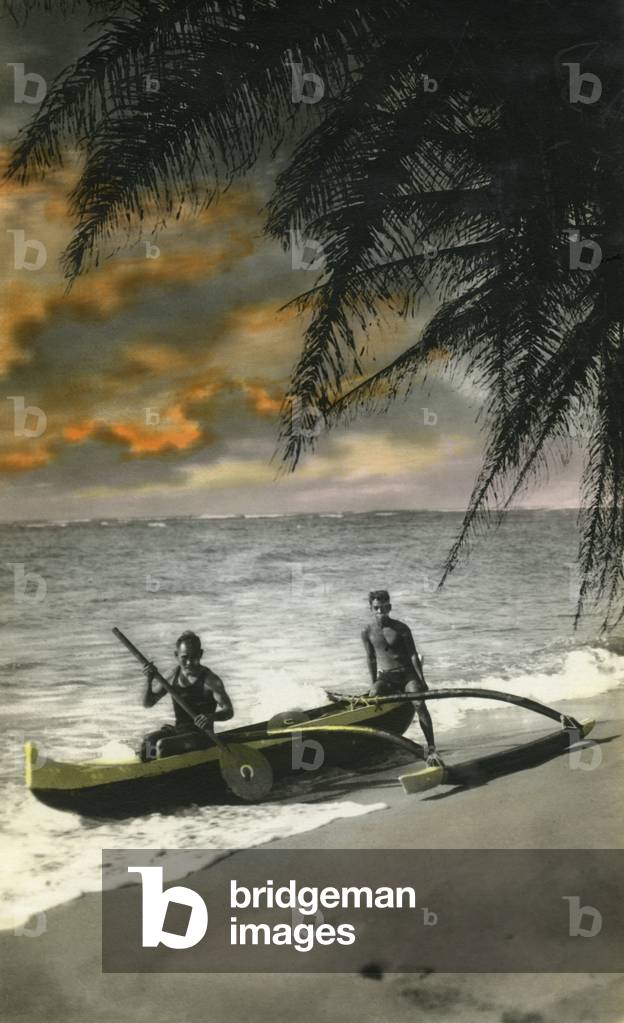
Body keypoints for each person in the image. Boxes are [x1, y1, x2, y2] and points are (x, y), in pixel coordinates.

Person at [362, 589, 443, 767]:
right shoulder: (367, 631)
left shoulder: (401, 628)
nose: (380, 611)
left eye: (383, 607)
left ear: (389, 607)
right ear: (371, 608)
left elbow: (413, 655)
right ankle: (380, 744)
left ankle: (431, 748)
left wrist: (421, 680)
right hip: (386, 677)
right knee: (373, 697)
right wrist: (373, 683)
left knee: (419, 704)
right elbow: (371, 658)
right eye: (376, 608)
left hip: (407, 675)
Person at [139, 630, 234, 761]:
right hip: (179, 731)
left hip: (202, 736)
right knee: (148, 742)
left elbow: (229, 711)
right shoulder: (172, 675)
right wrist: (148, 680)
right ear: (176, 655)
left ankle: (166, 776)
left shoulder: (211, 681)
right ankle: (149, 773)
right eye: (184, 657)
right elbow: (148, 703)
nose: (189, 662)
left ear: (200, 654)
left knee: (163, 746)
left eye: (193, 657)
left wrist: (210, 717)